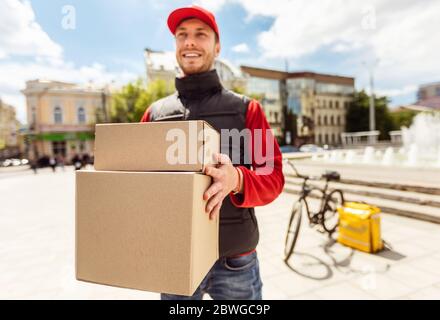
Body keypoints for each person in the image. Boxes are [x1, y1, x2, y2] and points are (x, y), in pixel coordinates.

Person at [140, 5, 284, 300]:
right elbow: (136, 185)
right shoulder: (154, 114)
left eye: (200, 34)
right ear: (176, 46)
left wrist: (238, 181)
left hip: (236, 262)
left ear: (217, 47)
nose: (190, 42)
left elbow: (274, 178)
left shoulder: (248, 109)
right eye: (182, 35)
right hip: (175, 261)